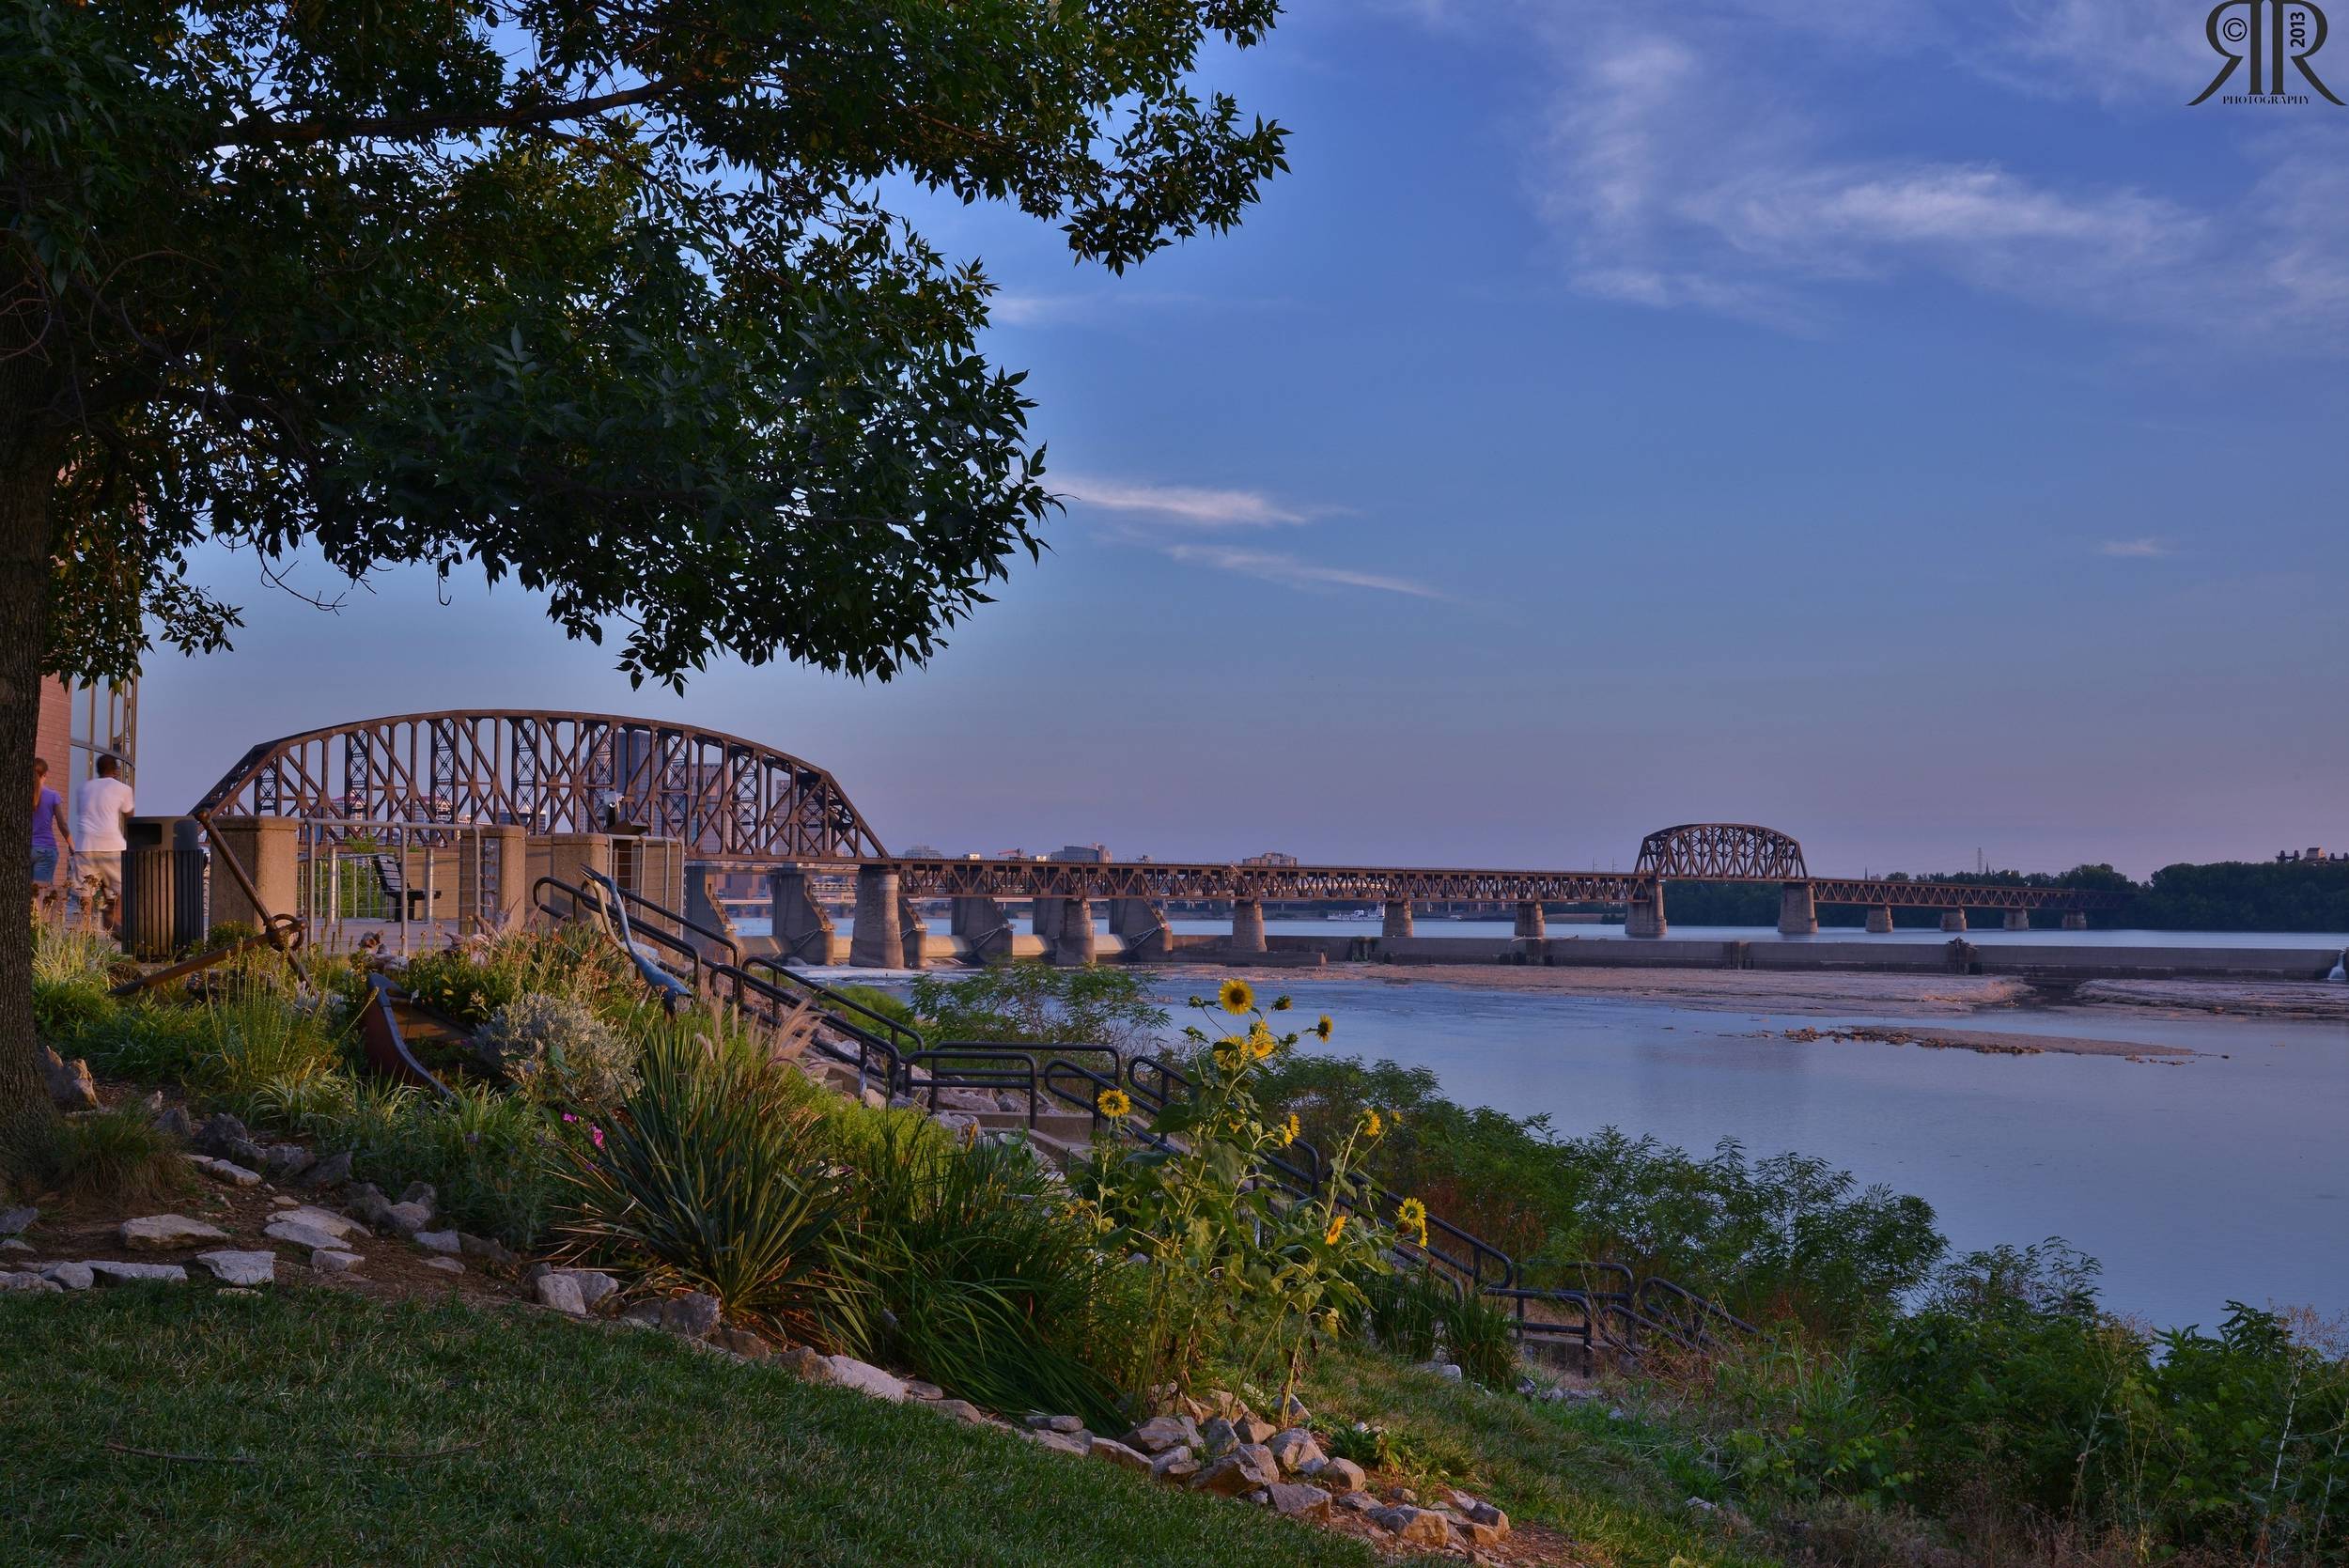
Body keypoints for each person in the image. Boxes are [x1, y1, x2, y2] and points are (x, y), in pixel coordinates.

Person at [70, 753, 133, 938]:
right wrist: (129, 844)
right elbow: (130, 818)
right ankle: (115, 918)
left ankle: (86, 926)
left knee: (85, 888)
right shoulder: (124, 789)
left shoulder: (83, 788)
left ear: (97, 770)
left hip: (85, 843)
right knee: (123, 884)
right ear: (115, 770)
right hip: (112, 843)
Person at [31, 756, 71, 921]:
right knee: (39, 895)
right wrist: (72, 845)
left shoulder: (17, 795)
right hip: (46, 850)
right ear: (45, 774)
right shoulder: (52, 795)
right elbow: (62, 824)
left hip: (25, 849)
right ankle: (35, 931)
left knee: (24, 894)